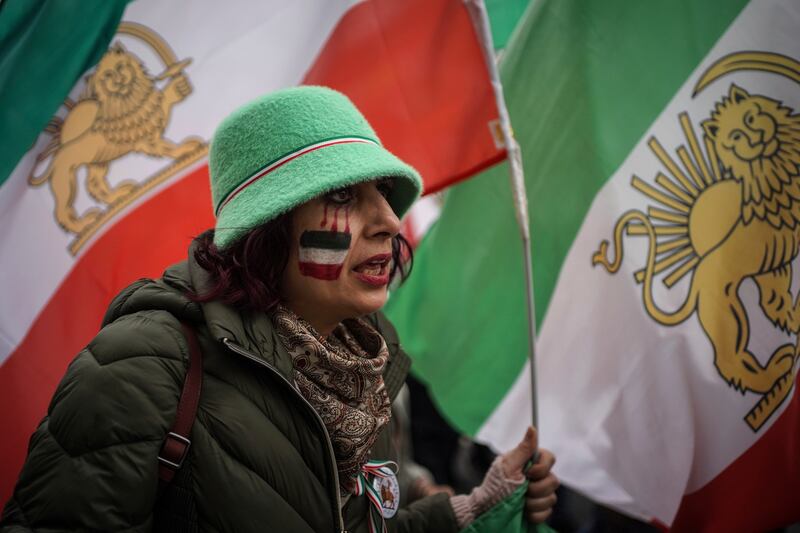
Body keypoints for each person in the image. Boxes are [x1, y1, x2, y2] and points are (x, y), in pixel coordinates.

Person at [1, 86, 558, 532]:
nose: (390, 222)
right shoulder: (145, 364)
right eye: (343, 196)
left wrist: (473, 508)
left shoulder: (365, 370)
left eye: (384, 192)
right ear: (269, 228)